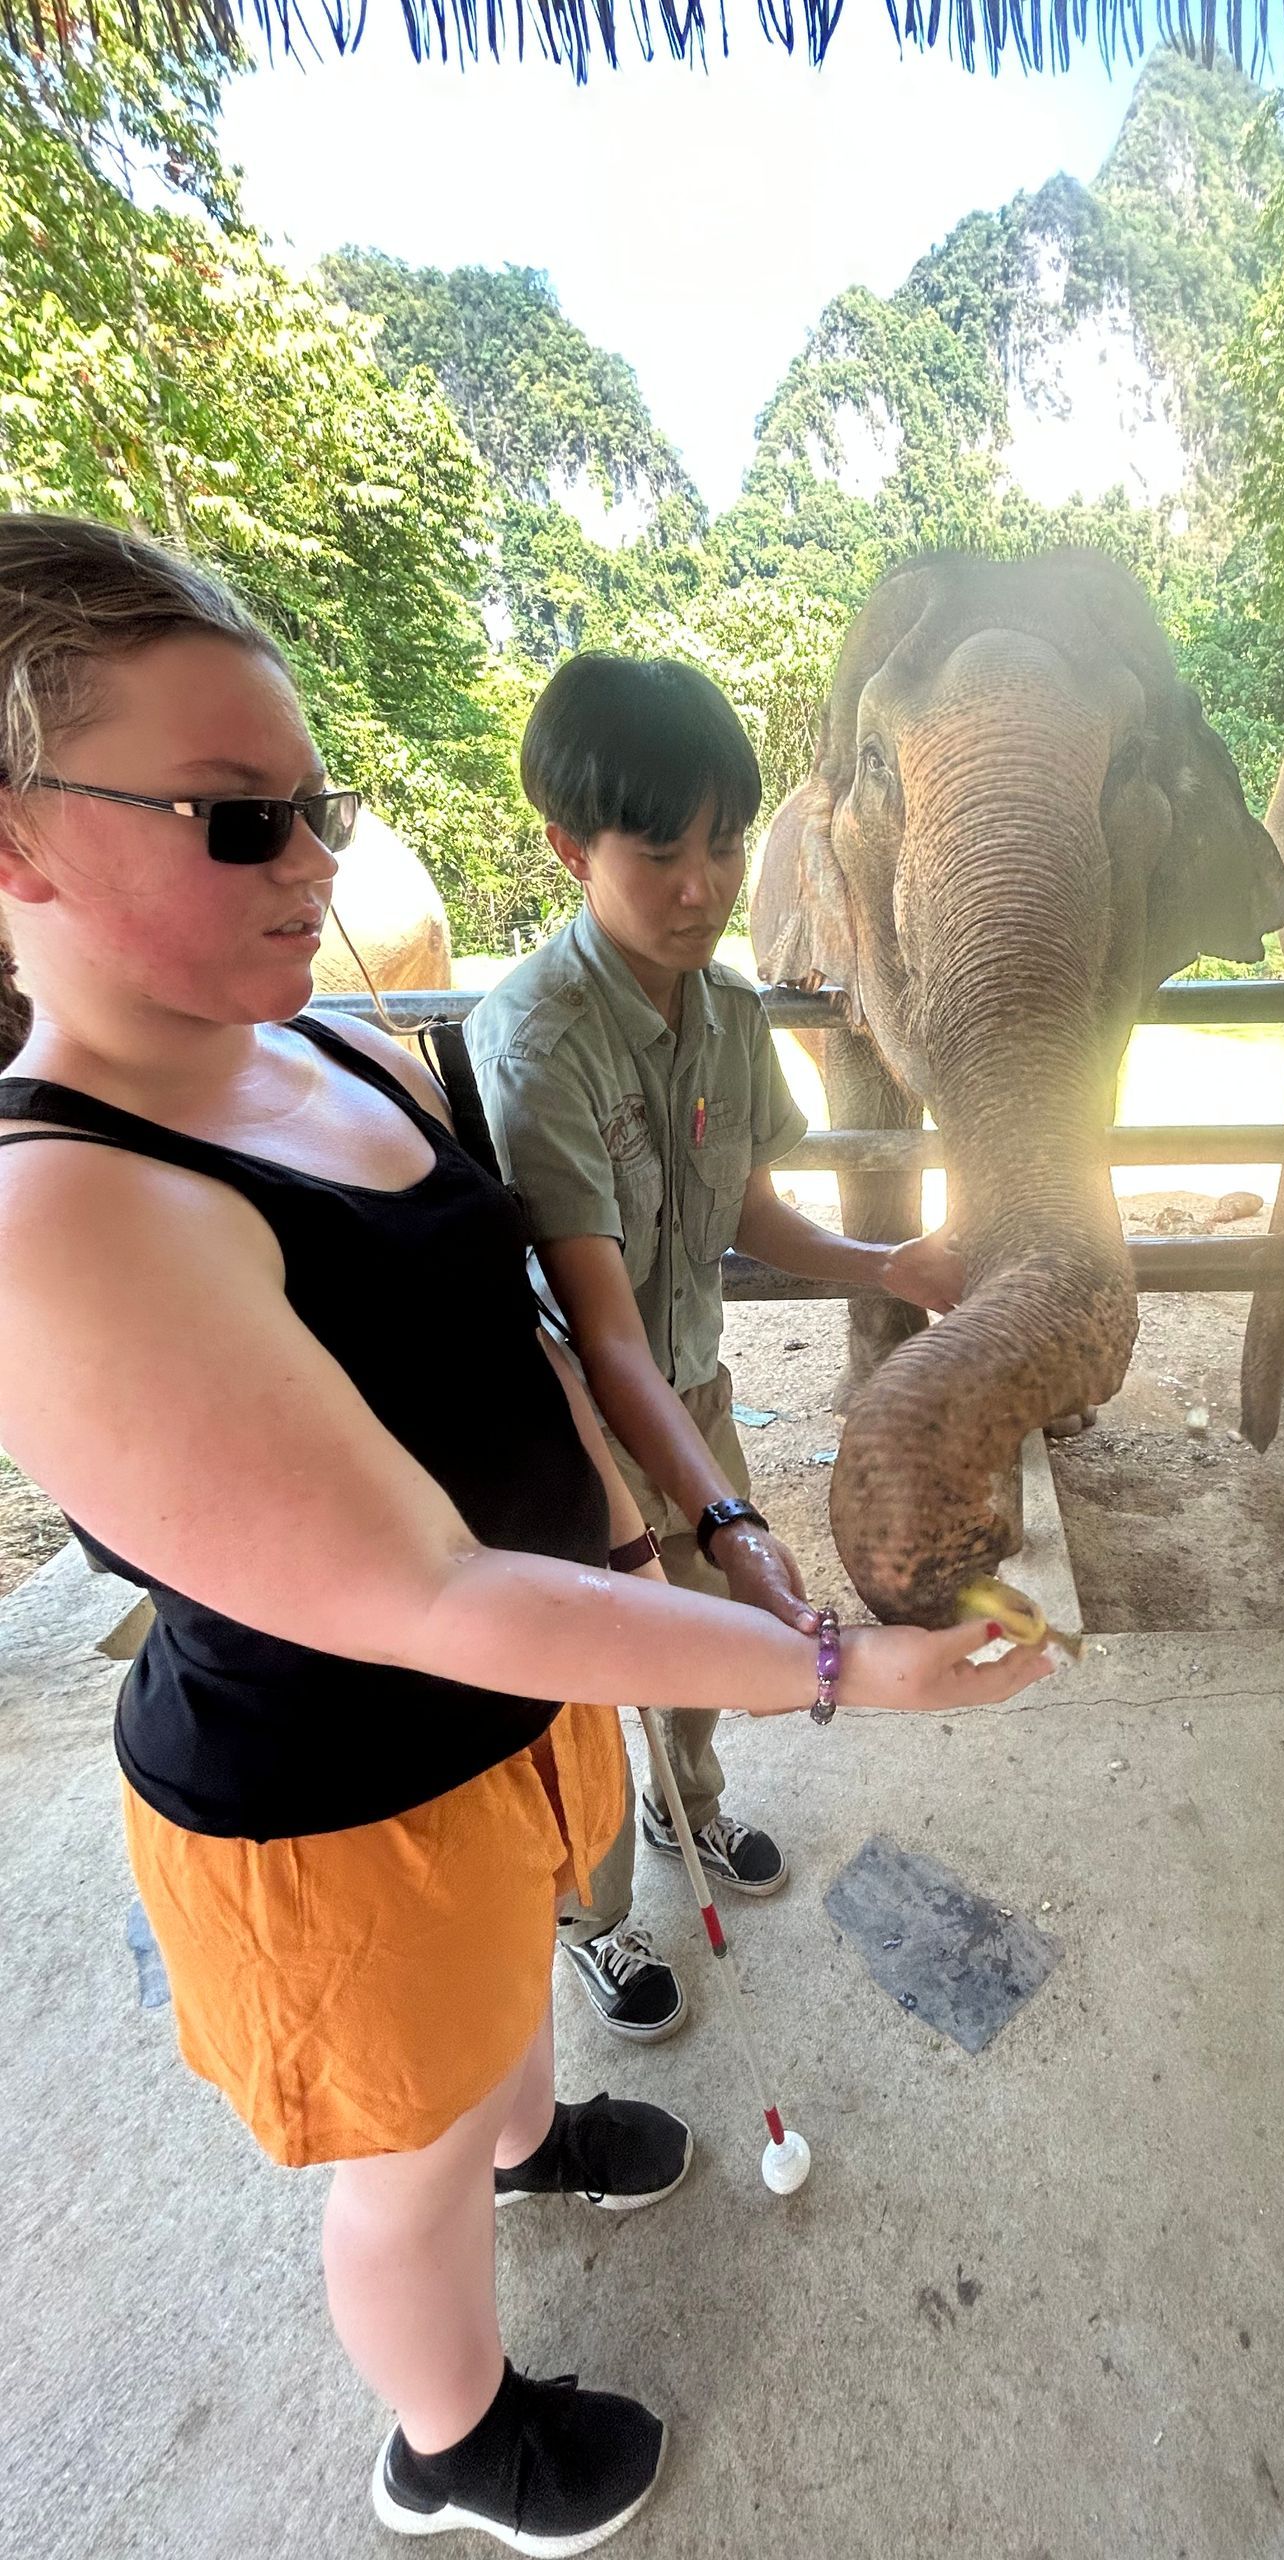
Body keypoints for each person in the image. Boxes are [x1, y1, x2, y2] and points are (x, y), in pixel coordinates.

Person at [0, 515, 1047, 2555]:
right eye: (235, 818)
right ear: (15, 840)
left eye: (316, 803)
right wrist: (841, 1660)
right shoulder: (65, 1227)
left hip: (523, 1696)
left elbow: (542, 1318)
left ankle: (533, 2131)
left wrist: (675, 1536)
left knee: (505, 2022)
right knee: (394, 2154)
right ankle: (453, 2438)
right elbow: (428, 1590)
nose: (311, 861)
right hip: (339, 1796)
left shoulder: (312, 1037)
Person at [469, 655, 964, 2040]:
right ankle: (599, 1922)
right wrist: (736, 1522)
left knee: (701, 1655)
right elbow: (602, 1332)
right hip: (576, 1427)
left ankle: (699, 1816)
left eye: (726, 841)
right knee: (593, 1686)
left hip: (693, 1391)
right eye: (658, 847)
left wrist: (888, 1265)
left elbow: (747, 1205)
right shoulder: (537, 1041)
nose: (704, 883)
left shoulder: (731, 1011)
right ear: (571, 846)